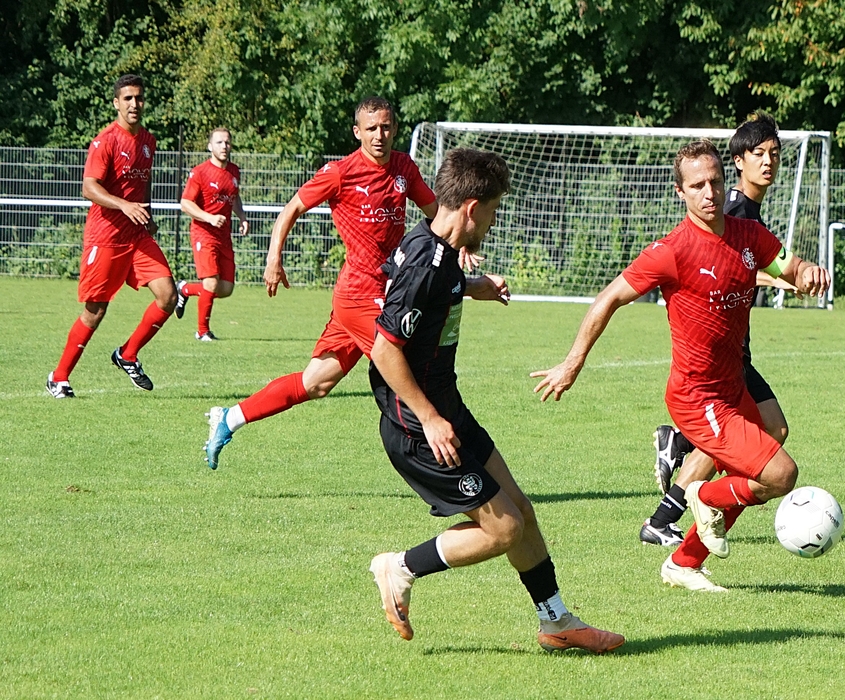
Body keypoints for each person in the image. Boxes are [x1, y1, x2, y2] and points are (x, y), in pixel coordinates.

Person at [532, 140, 829, 592]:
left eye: (715, 182)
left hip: (732, 388)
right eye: (697, 185)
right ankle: (700, 494)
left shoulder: (749, 235)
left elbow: (789, 265)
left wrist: (807, 272)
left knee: (768, 441)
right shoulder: (671, 251)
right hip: (697, 397)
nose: (709, 193)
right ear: (680, 192)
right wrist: (572, 363)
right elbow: (609, 298)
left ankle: (684, 562)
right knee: (780, 474)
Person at [368, 147, 624, 653]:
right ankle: (399, 567)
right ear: (471, 208)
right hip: (419, 427)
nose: (493, 220)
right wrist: (429, 418)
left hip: (448, 410)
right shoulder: (424, 262)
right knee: (505, 528)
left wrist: (473, 286)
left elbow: (432, 289)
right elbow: (383, 350)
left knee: (521, 510)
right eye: (492, 209)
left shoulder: (435, 248)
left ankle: (556, 621)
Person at [201, 97, 437, 468]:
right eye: (371, 129)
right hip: (359, 294)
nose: (379, 135)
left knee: (316, 383)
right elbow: (291, 209)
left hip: (383, 290)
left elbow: (435, 213)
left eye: (385, 127)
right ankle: (441, 454)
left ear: (394, 129)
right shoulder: (340, 172)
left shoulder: (404, 167)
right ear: (357, 132)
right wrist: (274, 258)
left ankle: (229, 418)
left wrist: (459, 246)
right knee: (407, 367)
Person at [640, 112, 796, 548]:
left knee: (767, 431)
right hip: (720, 358)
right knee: (763, 434)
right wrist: (776, 278)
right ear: (738, 162)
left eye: (774, 153)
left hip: (733, 352)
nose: (768, 162)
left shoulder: (749, 213)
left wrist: (791, 273)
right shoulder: (730, 210)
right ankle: (690, 491)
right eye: (758, 154)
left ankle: (667, 513)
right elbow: (722, 267)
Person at [46, 74, 177, 398]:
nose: (135, 104)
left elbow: (143, 183)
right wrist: (125, 205)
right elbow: (89, 188)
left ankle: (128, 354)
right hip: (105, 236)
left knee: (168, 296)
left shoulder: (148, 141)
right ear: (117, 103)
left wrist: (147, 214)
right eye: (128, 98)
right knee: (96, 310)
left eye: (139, 98)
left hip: (136, 236)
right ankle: (59, 377)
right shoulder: (105, 141)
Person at [175, 127, 249, 341]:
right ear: (210, 146)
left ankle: (185, 289)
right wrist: (209, 217)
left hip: (224, 236)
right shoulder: (200, 172)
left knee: (226, 288)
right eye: (219, 142)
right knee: (211, 283)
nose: (224, 146)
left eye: (227, 142)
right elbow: (185, 203)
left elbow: (234, 197)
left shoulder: (234, 171)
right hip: (203, 233)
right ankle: (202, 331)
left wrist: (242, 217)